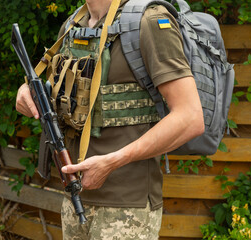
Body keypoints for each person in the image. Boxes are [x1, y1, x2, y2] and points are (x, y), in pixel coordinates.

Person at [16, 0, 204, 239]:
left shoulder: (149, 21)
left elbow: (190, 117)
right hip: (74, 201)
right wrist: (26, 91)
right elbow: (59, 93)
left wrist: (112, 162)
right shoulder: (74, 24)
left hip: (127, 209)